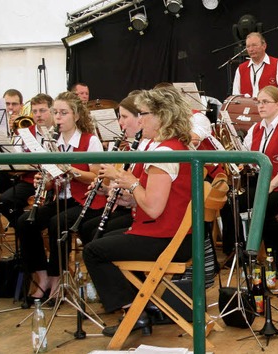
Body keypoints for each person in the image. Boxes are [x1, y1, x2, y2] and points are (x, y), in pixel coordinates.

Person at [83, 86, 194, 336]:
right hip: (178, 236)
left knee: (93, 250)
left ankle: (134, 310)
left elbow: (154, 208)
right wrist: (128, 198)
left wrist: (128, 179)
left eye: (144, 114)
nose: (140, 119)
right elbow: (158, 201)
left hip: (167, 240)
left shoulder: (165, 154)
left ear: (161, 116)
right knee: (105, 239)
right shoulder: (174, 147)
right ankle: (144, 305)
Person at [15, 91, 105, 301]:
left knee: (58, 223)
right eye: (55, 113)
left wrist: (70, 169)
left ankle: (57, 278)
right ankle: (42, 274)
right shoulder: (51, 142)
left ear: (76, 116)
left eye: (63, 113)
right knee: (25, 223)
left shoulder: (89, 141)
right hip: (61, 199)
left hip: (87, 200)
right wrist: (43, 182)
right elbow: (51, 181)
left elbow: (96, 176)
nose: (58, 118)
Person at [241, 85, 278, 265]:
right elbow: (247, 154)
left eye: (265, 102)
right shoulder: (256, 128)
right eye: (258, 102)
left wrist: (269, 186)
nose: (260, 106)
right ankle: (241, 253)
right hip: (263, 182)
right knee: (233, 202)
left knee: (263, 205)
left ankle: (276, 256)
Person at [78, 94, 144, 244]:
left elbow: (141, 187)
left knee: (95, 236)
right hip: (131, 206)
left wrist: (115, 175)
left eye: (124, 117)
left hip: (139, 213)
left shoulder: (147, 149)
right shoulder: (130, 147)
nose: (120, 123)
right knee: (87, 228)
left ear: (140, 118)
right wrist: (107, 190)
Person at [0, 94, 55, 228]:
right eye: (34, 111)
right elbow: (17, 156)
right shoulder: (25, 132)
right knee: (4, 201)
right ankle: (23, 230)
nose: (38, 115)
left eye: (42, 110)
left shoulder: (59, 130)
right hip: (29, 179)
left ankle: (27, 229)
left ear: (52, 110)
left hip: (53, 181)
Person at [232, 32, 278, 104]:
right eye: (248, 46)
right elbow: (236, 96)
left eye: (254, 45)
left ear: (264, 46)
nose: (251, 49)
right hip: (247, 112)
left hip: (270, 112)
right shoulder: (241, 69)